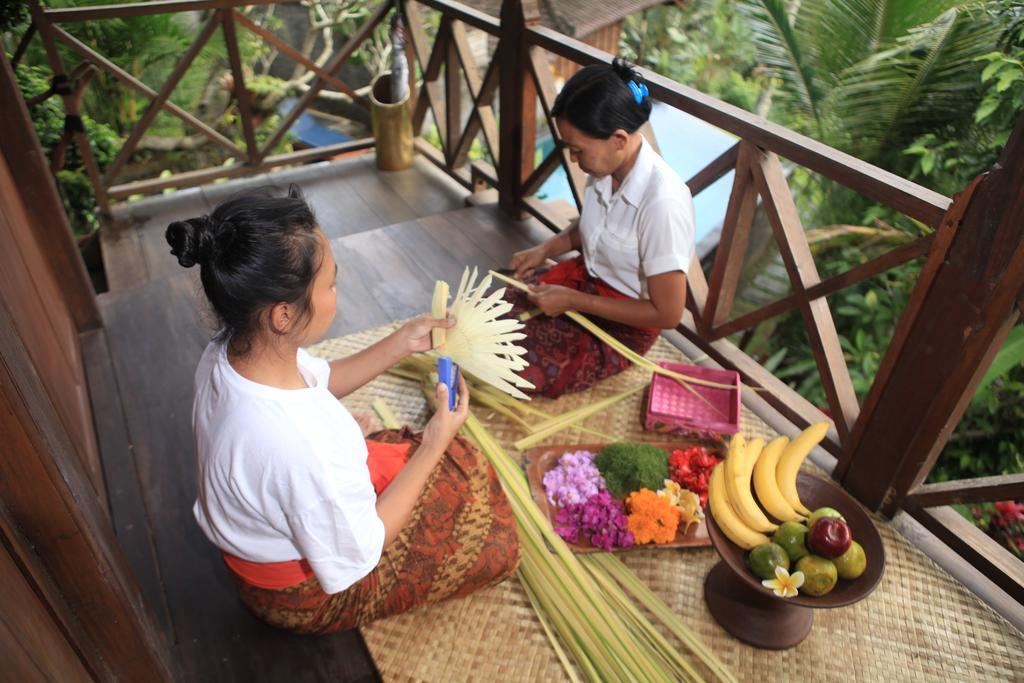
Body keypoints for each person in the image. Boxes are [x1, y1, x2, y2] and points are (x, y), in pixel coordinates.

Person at [166, 187, 519, 635]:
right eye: (330, 283)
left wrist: (400, 343)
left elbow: (321, 380)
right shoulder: (299, 445)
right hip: (302, 595)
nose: (338, 290)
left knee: (427, 458)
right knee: (483, 517)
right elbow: (364, 550)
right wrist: (435, 442)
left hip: (261, 539)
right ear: (283, 315)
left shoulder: (230, 351)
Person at [507, 58, 696, 398]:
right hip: (584, 284)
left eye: (578, 150)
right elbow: (592, 228)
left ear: (619, 139)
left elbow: (667, 313)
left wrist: (574, 301)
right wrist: (544, 250)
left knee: (519, 369)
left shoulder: (662, 204)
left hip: (625, 324)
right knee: (494, 313)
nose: (574, 160)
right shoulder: (605, 170)